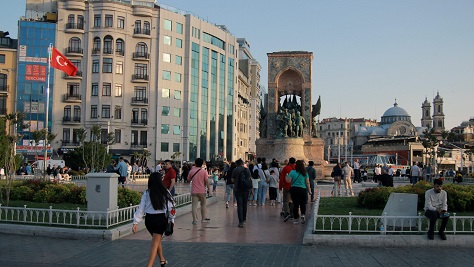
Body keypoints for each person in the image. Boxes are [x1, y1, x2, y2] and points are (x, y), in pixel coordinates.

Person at [132, 172, 175, 267]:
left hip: (149, 220)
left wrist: (136, 222)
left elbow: (141, 208)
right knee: (155, 242)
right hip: (160, 219)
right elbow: (172, 207)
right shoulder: (165, 192)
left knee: (156, 240)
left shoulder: (147, 193)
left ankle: (162, 260)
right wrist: (172, 220)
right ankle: (149, 265)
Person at [285, 160, 311, 225]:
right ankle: (303, 215)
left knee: (295, 204)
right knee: (303, 203)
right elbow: (307, 182)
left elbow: (288, 181)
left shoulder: (292, 172)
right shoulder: (305, 173)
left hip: (294, 189)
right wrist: (309, 190)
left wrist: (286, 176)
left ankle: (296, 219)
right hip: (302, 189)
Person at [188, 158, 211, 225]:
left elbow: (188, 179)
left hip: (194, 191)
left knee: (194, 206)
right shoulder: (204, 171)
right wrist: (209, 189)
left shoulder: (191, 171)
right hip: (202, 191)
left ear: (195, 163)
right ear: (201, 164)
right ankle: (203, 218)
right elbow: (206, 181)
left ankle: (194, 220)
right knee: (203, 205)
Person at [232, 159, 252, 228]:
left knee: (239, 205)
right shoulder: (247, 170)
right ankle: (244, 219)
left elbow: (232, 180)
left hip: (238, 189)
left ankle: (240, 221)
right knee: (244, 204)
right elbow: (249, 179)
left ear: (237, 164)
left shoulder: (235, 170)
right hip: (246, 189)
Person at [279, 157, 296, 221]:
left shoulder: (286, 168)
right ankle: (292, 213)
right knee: (293, 200)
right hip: (295, 187)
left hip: (287, 186)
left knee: (286, 201)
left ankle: (287, 213)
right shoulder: (297, 168)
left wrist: (280, 186)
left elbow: (282, 178)